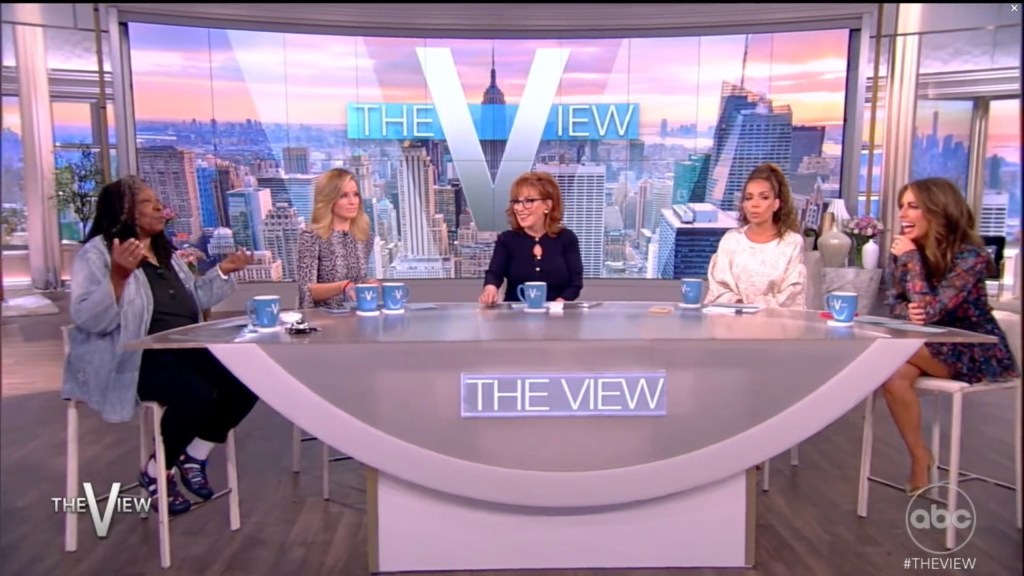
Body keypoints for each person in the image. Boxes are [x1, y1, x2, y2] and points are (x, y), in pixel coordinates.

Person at [63, 175, 256, 516]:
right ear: (124, 211)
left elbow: (195, 299)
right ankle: (157, 472)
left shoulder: (165, 253)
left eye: (157, 200)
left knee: (249, 382)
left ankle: (193, 455)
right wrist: (118, 278)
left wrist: (223, 271)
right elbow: (90, 320)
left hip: (186, 348)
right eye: (147, 202)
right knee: (196, 396)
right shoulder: (98, 255)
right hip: (136, 356)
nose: (158, 207)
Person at [883, 177, 1020, 494]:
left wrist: (912, 261)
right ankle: (920, 455)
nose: (903, 213)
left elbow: (930, 312)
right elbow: (896, 306)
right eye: (902, 205)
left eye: (913, 206)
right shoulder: (907, 251)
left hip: (974, 348)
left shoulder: (970, 257)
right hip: (929, 344)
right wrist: (911, 310)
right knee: (892, 375)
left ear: (938, 210)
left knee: (886, 350)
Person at [703, 162, 806, 308]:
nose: (754, 204)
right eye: (749, 198)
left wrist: (755, 309)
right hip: (732, 324)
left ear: (776, 204)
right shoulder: (731, 240)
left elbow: (792, 293)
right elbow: (718, 289)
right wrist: (741, 308)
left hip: (775, 325)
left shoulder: (791, 242)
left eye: (763, 197)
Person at [479, 171, 584, 305]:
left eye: (528, 201)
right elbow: (494, 274)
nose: (519, 208)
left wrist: (558, 304)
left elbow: (575, 283)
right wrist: (490, 289)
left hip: (557, 318)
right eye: (516, 202)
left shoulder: (566, 238)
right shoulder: (507, 240)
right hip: (514, 319)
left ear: (547, 205)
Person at [296, 168, 375, 309]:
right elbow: (306, 291)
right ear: (329, 199)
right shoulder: (311, 237)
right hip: (322, 320)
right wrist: (341, 286)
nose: (352, 201)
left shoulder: (364, 237)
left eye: (355, 194)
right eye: (343, 196)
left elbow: (355, 283)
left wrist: (366, 285)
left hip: (356, 317)